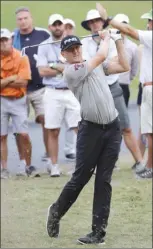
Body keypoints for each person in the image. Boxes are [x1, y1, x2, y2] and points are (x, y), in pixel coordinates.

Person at [46, 29, 129, 244]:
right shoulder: (71, 71)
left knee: (104, 181)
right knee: (81, 178)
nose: (74, 51)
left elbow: (124, 65)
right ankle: (56, 211)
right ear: (63, 55)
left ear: (80, 48)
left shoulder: (95, 65)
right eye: (69, 50)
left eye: (76, 48)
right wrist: (107, 37)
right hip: (90, 130)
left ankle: (98, 232)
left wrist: (118, 40)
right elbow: (101, 56)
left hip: (112, 128)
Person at [81, 9, 144, 172]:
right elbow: (86, 64)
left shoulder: (113, 39)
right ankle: (94, 165)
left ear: (102, 22)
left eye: (97, 20)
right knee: (95, 129)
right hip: (94, 90)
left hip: (113, 88)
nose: (95, 24)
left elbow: (117, 61)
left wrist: (103, 48)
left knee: (126, 127)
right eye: (91, 22)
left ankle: (140, 162)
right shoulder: (85, 43)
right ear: (88, 25)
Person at [96, 4, 152, 178]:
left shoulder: (151, 36)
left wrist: (108, 20)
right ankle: (149, 166)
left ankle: (149, 167)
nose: (148, 24)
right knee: (149, 131)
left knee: (150, 131)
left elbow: (129, 30)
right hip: (148, 87)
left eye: (150, 21)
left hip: (151, 88)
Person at [37, 14, 81, 177]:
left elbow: (77, 65)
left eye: (59, 24)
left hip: (71, 91)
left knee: (79, 128)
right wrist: (62, 67)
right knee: (53, 130)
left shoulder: (71, 43)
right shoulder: (44, 45)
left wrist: (53, 66)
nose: (57, 27)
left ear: (64, 26)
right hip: (52, 92)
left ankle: (80, 165)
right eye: (54, 25)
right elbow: (42, 71)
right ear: (50, 27)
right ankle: (54, 165)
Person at [12, 7, 50, 173]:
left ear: (31, 18)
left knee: (47, 121)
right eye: (20, 19)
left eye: (25, 18)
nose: (23, 21)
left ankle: (50, 156)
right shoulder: (12, 38)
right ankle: (24, 162)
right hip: (20, 90)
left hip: (41, 87)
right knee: (20, 128)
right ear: (17, 21)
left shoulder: (43, 34)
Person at [0, 28, 31, 178]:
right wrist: (12, 78)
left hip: (19, 99)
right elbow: (17, 80)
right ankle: (4, 168)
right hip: (2, 100)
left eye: (5, 40)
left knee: (23, 134)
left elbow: (23, 82)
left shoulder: (21, 57)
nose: (3, 43)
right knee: (2, 135)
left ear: (11, 40)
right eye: (0, 41)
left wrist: (4, 82)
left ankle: (23, 164)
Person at [113, 14, 139, 107]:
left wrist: (127, 78)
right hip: (108, 85)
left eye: (124, 26)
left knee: (123, 119)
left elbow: (134, 69)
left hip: (123, 85)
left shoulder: (133, 47)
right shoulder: (108, 44)